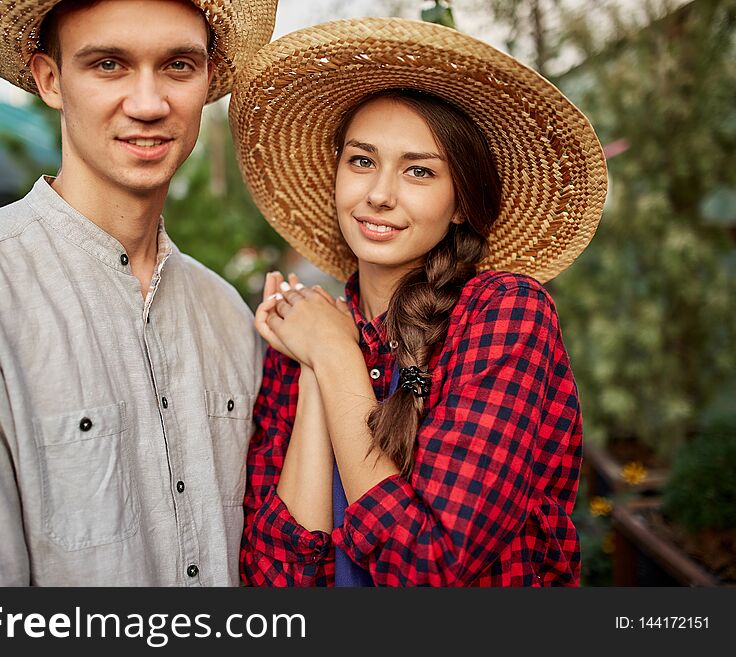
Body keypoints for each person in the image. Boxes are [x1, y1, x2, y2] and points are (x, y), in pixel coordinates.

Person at [0, 0, 277, 586]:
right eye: (109, 64)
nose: (150, 103)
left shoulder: (226, 314)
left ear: (208, 79)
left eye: (178, 65)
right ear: (51, 80)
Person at [230, 17, 608, 586]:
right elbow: (275, 580)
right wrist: (315, 364)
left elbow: (429, 567)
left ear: (460, 203)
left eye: (419, 171)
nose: (379, 195)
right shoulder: (310, 331)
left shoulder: (503, 315)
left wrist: (335, 359)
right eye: (361, 161)